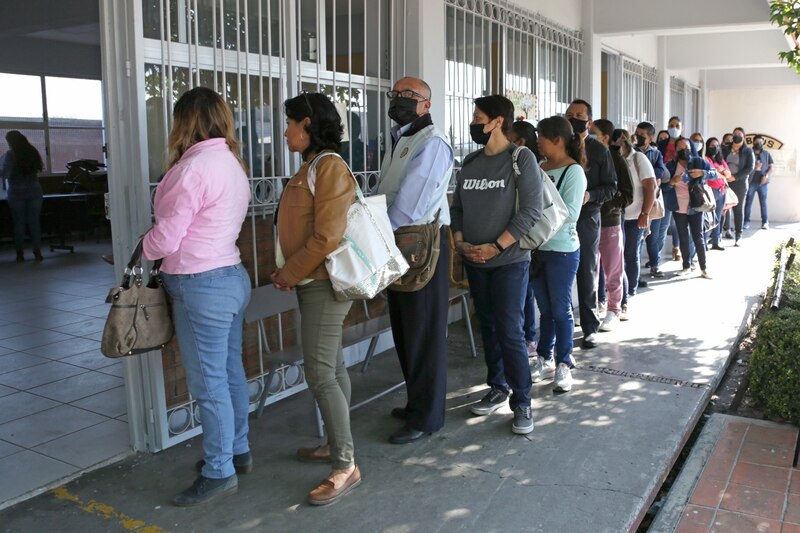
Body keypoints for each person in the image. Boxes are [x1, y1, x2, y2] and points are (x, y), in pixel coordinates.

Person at [142, 87, 252, 507]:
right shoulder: (230, 162)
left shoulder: (192, 169)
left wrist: (141, 247)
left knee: (209, 386)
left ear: (183, 122)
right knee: (229, 373)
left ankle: (218, 470)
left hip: (200, 285)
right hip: (229, 276)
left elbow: (167, 238)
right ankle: (236, 451)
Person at [271, 92, 364, 505]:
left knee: (320, 372)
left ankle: (345, 465)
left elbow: (327, 235)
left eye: (291, 121)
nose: (286, 130)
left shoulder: (327, 166)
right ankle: (335, 444)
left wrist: (289, 272)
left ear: (308, 123)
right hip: (312, 281)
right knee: (333, 366)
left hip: (323, 283)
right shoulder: (310, 166)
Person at [452, 95, 542, 434]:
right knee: (487, 326)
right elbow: (458, 207)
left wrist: (495, 247)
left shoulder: (521, 158)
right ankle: (498, 387)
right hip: (475, 261)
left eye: (478, 116)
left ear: (497, 122)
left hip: (509, 262)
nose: (473, 122)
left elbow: (531, 211)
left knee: (510, 330)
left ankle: (522, 402)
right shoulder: (471, 162)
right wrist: (461, 242)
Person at [378, 77, 453, 444]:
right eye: (396, 94)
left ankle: (427, 417)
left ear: (427, 104)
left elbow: (410, 205)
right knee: (406, 330)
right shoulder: (402, 138)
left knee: (423, 332)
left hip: (421, 245)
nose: (400, 100)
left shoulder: (432, 142)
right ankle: (415, 402)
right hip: (399, 245)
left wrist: (377, 234)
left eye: (410, 96)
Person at [530, 116, 587, 392]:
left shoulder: (573, 172)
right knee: (546, 310)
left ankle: (564, 363)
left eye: (541, 136)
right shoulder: (541, 167)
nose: (537, 142)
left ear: (558, 140)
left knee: (561, 309)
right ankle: (545, 357)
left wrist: (533, 218)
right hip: (538, 249)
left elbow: (570, 214)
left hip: (562, 251)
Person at [564, 99, 617, 349]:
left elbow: (611, 187)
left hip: (587, 217)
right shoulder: (559, 146)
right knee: (558, 272)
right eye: (569, 114)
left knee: (586, 271)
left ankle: (589, 327)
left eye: (579, 115)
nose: (573, 119)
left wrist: (589, 196)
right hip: (559, 218)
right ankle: (561, 326)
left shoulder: (599, 150)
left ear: (589, 121)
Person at [588, 119, 631, 331]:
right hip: (587, 221)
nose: (589, 134)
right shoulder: (583, 153)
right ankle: (594, 307)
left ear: (605, 136)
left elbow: (627, 193)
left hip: (609, 222)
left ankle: (614, 309)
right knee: (589, 269)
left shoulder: (616, 157)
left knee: (613, 268)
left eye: (593, 132)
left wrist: (606, 206)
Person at [613, 129, 656, 309]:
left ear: (623, 144)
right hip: (617, 215)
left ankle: (630, 291)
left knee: (631, 254)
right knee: (618, 256)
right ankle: (620, 291)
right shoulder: (615, 159)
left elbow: (651, 187)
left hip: (636, 215)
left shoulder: (638, 159)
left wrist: (645, 214)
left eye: (616, 146)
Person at [508, 119, 541, 355]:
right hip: (516, 236)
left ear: (520, 142)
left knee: (527, 291)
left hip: (527, 236)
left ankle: (529, 336)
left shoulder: (529, 164)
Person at [663, 137, 715, 278]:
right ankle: (686, 265)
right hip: (677, 206)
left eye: (685, 147)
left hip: (695, 205)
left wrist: (702, 173)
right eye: (679, 148)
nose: (682, 150)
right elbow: (663, 187)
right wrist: (672, 182)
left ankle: (703, 268)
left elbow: (715, 174)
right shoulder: (671, 165)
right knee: (683, 237)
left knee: (698, 237)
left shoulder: (698, 161)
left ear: (690, 148)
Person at [1, 131, 44, 262]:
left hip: (17, 192)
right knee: (34, 222)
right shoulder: (32, 152)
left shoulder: (10, 155)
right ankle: (37, 252)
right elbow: (39, 168)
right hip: (35, 190)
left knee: (19, 223)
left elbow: (4, 173)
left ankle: (20, 253)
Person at [635, 122, 669, 278]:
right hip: (635, 200)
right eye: (637, 134)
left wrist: (647, 175)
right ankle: (635, 271)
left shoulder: (655, 153)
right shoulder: (630, 151)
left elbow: (661, 171)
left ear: (650, 138)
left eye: (642, 135)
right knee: (637, 238)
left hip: (652, 199)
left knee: (652, 237)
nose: (638, 137)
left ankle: (655, 265)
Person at [726, 127, 755, 245]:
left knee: (738, 209)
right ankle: (718, 234)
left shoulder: (747, 151)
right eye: (735, 133)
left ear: (744, 136)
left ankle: (738, 234)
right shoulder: (726, 149)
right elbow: (720, 161)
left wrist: (735, 177)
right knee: (724, 208)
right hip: (725, 181)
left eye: (740, 133)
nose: (737, 135)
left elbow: (750, 168)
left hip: (740, 183)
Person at [704, 137, 733, 251]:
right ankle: (705, 242)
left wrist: (721, 170)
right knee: (707, 217)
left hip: (721, 191)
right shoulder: (706, 158)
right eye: (712, 146)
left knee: (718, 217)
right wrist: (721, 172)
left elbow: (729, 175)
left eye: (717, 145)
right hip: (711, 190)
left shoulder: (721, 160)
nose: (715, 148)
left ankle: (716, 241)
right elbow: (712, 173)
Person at [744, 134, 773, 230]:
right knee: (748, 202)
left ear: (763, 142)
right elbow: (745, 168)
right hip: (751, 182)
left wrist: (766, 176)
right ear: (753, 142)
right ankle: (746, 222)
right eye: (756, 142)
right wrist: (755, 167)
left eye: (760, 142)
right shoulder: (749, 153)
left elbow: (771, 168)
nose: (758, 143)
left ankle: (765, 222)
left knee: (764, 203)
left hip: (763, 183)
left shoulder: (767, 154)